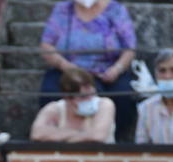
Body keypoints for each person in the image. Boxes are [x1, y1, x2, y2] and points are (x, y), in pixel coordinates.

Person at [38, 0, 139, 138]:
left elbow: (129, 48)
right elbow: (46, 46)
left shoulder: (116, 10)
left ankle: (115, 139)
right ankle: (57, 137)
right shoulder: (63, 9)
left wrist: (117, 69)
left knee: (122, 97)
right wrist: (65, 66)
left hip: (107, 72)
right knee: (50, 91)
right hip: (69, 70)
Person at [29, 64, 117, 142]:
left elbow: (97, 137)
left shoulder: (105, 104)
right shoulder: (54, 108)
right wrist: (82, 135)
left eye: (92, 94)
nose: (90, 99)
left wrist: (59, 135)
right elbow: (36, 134)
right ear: (68, 98)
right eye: (83, 97)